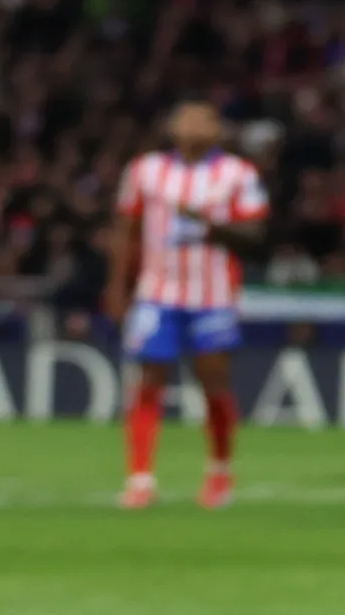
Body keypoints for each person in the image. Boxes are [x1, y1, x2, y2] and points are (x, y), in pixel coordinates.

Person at [106, 100, 268, 509]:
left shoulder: (237, 174)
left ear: (219, 130)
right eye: (185, 118)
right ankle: (140, 478)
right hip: (156, 292)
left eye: (205, 119)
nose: (193, 125)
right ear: (171, 126)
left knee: (213, 383)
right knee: (148, 382)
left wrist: (210, 225)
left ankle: (219, 471)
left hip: (212, 294)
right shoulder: (145, 170)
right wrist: (116, 287)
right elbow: (126, 231)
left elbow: (254, 236)